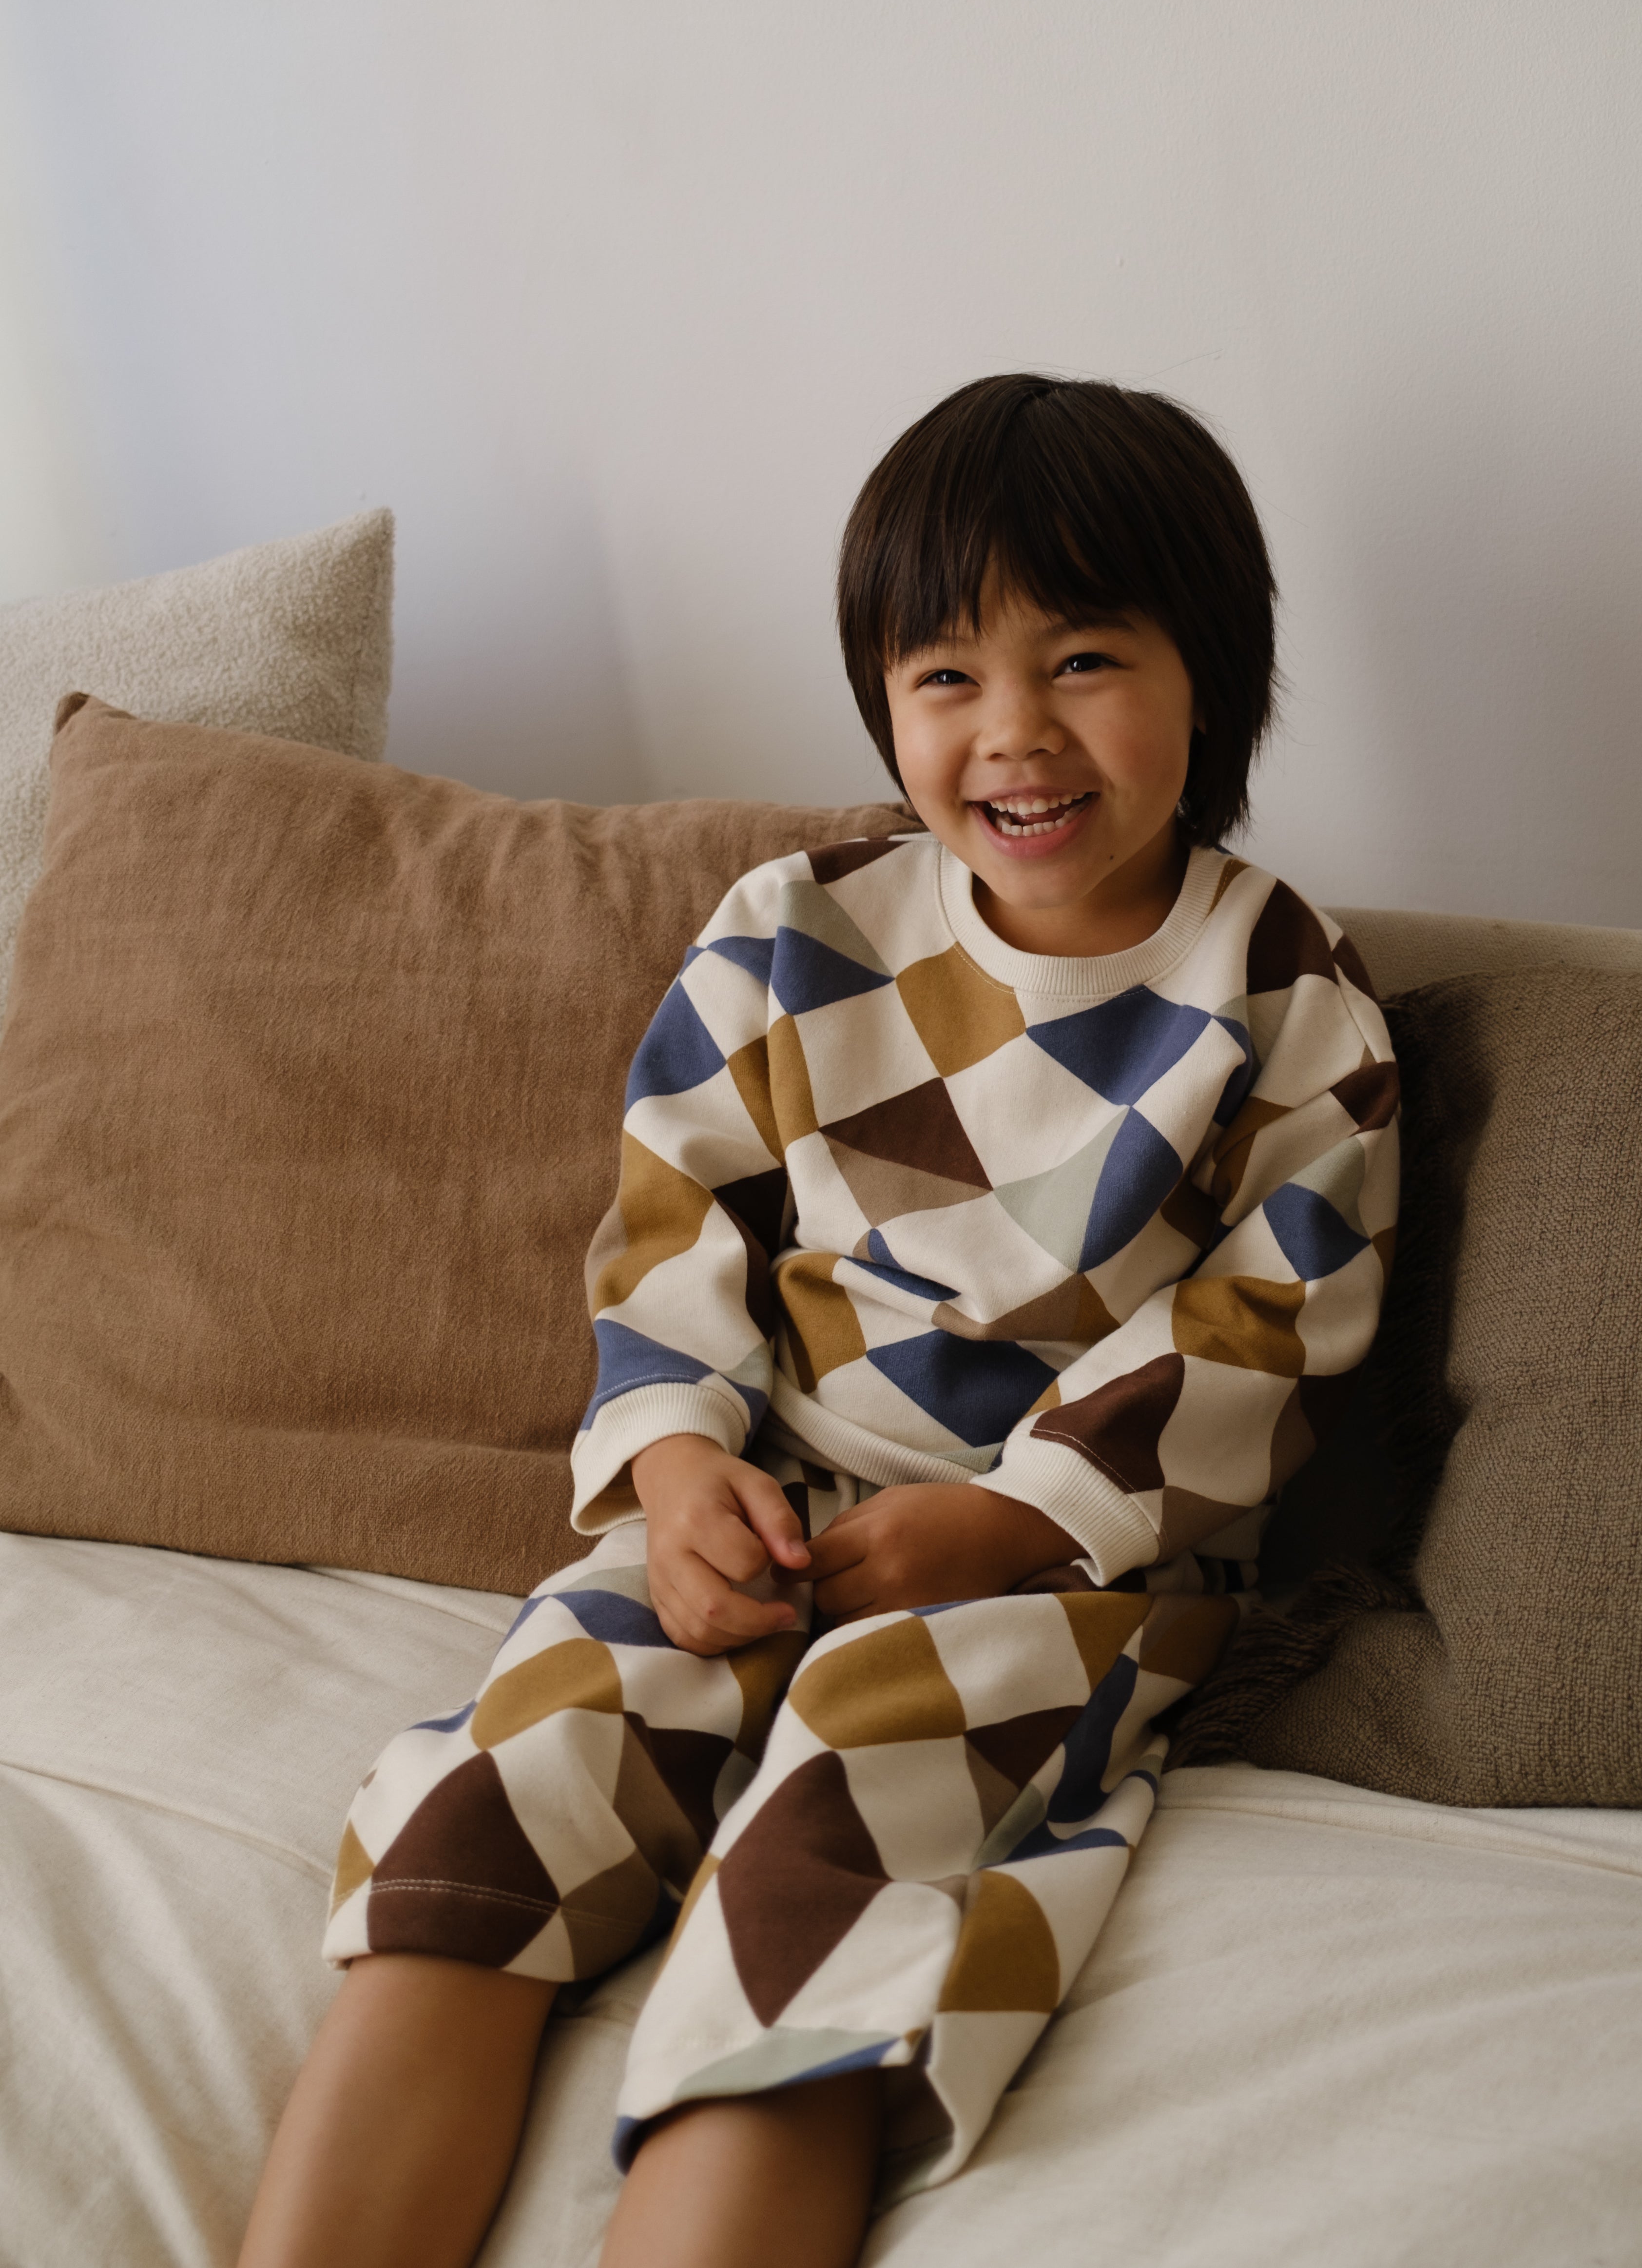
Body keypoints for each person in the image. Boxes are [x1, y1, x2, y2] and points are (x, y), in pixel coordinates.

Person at [240, 371, 1399, 2268]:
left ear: (1215, 676)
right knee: (510, 1785)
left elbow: (1267, 1327)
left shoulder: (1284, 997)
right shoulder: (797, 928)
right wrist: (678, 1467)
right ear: (883, 702)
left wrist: (1011, 1519)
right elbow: (674, 1215)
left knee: (840, 1845)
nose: (1014, 731)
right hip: (768, 1503)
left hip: (1068, 1564)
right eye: (946, 675)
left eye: (1083, 659)